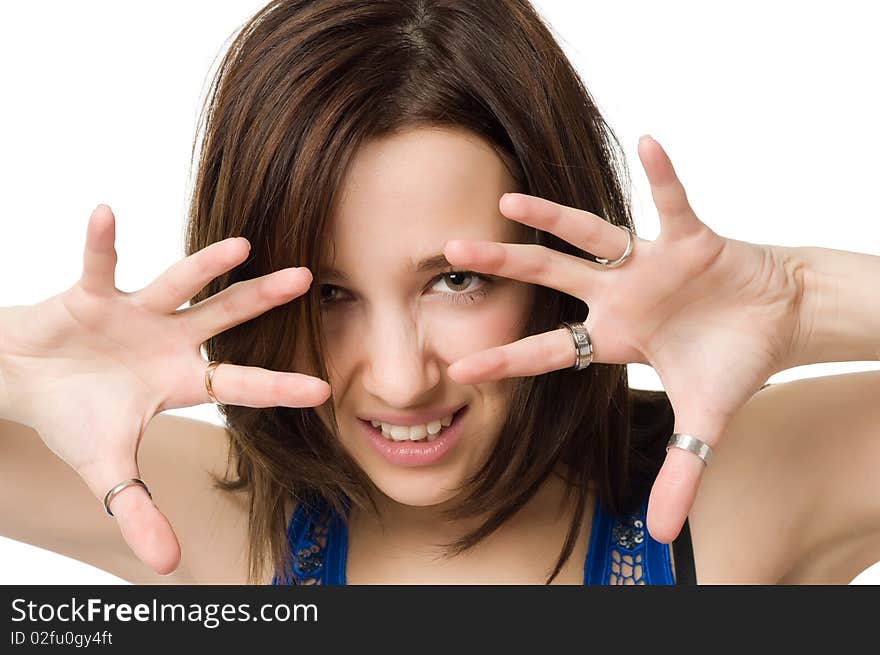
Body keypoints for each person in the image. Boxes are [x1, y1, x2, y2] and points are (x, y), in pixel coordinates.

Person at [1, 0, 879, 586]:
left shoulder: (723, 505)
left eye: (456, 281)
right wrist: (19, 367)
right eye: (330, 294)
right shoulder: (237, 527)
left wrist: (798, 301)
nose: (399, 377)